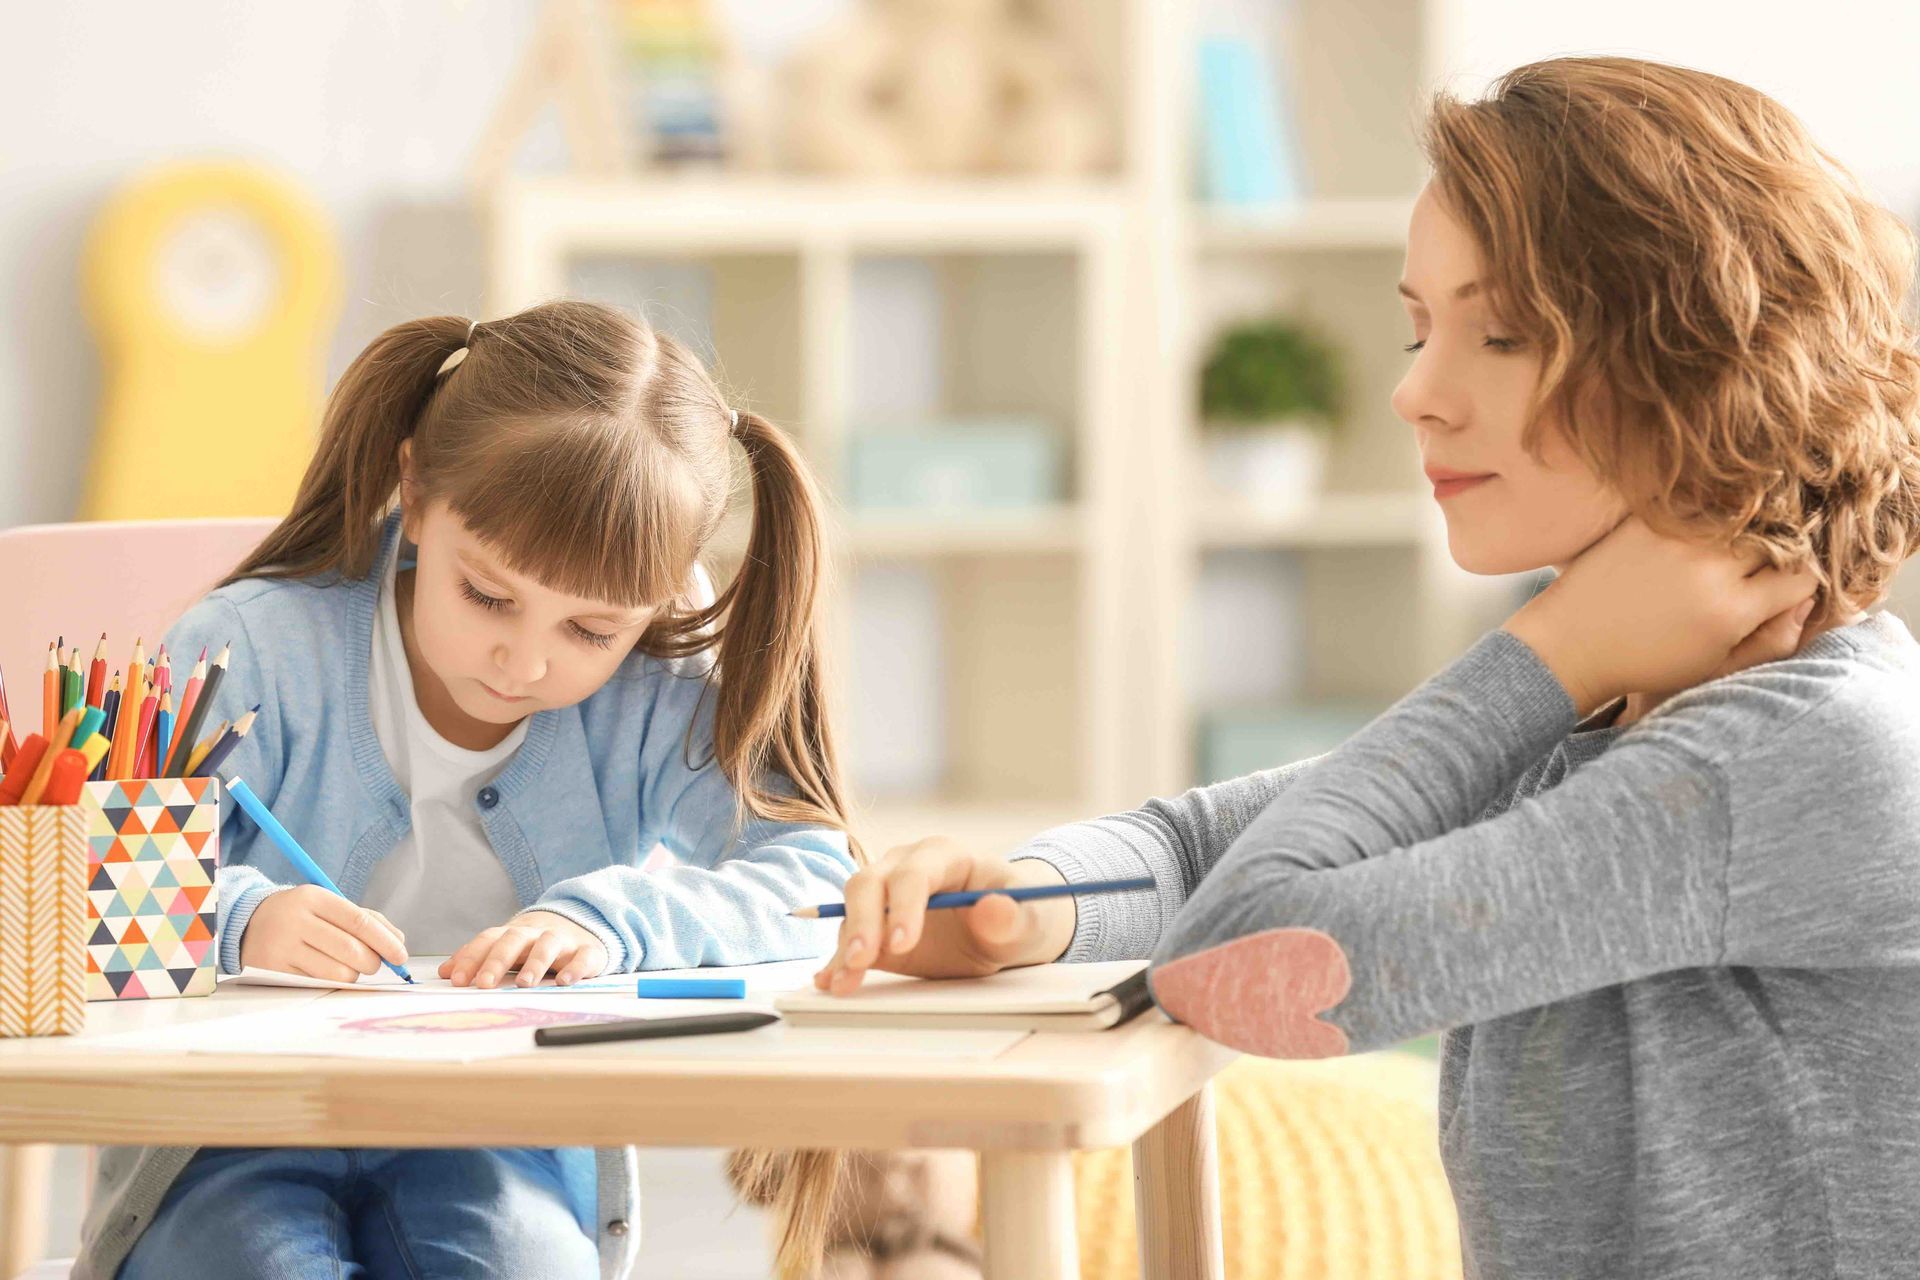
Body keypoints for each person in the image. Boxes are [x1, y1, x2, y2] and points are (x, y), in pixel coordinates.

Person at [818, 57, 1920, 1276]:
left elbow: (1242, 959)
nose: (1414, 392)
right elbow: (1204, 851)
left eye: (1498, 333)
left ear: (1702, 356)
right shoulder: (1629, 705)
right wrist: (1026, 906)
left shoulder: (1794, 752)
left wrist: (1548, 647)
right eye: (1417, 326)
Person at [79, 300, 856, 1280]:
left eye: (591, 630)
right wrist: (242, 917)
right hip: (227, 1125)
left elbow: (819, 879)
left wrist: (613, 919)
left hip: (502, 1125)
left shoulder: (653, 695)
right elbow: (89, 877)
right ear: (412, 485)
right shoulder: (254, 649)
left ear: (659, 598)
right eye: (488, 595)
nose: (526, 660)